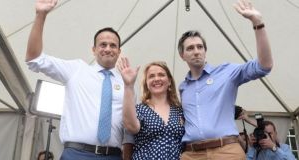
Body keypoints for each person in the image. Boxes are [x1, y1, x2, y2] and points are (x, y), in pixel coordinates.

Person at [26, 0, 133, 159]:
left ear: (119, 51)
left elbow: (129, 129)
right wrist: (40, 15)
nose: (108, 49)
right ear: (94, 50)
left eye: (113, 45)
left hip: (113, 155)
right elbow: (34, 59)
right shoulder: (76, 69)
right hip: (76, 154)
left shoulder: (127, 82)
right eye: (103, 44)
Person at [178, 0, 273, 159]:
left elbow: (264, 66)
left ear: (205, 51)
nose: (196, 51)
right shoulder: (182, 87)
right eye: (190, 48)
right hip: (192, 153)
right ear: (182, 55)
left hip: (226, 151)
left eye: (200, 47)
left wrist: (258, 23)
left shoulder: (226, 72)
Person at [117, 57, 185, 159]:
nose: (156, 79)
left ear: (169, 81)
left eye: (161, 75)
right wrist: (128, 85)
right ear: (146, 84)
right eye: (151, 76)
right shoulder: (140, 109)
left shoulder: (180, 110)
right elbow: (131, 127)